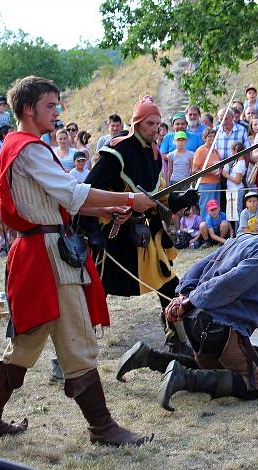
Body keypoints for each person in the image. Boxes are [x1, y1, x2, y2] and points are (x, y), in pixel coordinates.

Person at [0, 75, 155, 446]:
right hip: (47, 256)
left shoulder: (16, 146)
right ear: (28, 109)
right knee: (77, 339)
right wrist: (128, 200)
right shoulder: (29, 149)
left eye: (57, 105)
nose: (57, 113)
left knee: (25, 343)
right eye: (50, 106)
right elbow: (73, 193)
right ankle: (102, 428)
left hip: (39, 251)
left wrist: (115, 206)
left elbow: (64, 199)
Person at [115, 204, 258, 409]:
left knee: (211, 371)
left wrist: (185, 296)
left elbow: (198, 266)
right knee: (254, 385)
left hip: (197, 321)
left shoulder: (243, 238)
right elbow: (229, 282)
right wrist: (188, 300)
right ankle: (183, 378)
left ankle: (149, 357)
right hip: (218, 326)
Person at [83, 96, 192, 354]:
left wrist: (180, 198)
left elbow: (158, 197)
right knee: (95, 291)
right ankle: (74, 349)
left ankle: (176, 340)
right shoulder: (115, 154)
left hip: (145, 235)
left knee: (169, 286)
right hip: (114, 235)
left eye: (158, 123)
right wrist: (91, 230)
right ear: (137, 123)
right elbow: (87, 192)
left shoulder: (154, 155)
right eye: (150, 123)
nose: (155, 128)